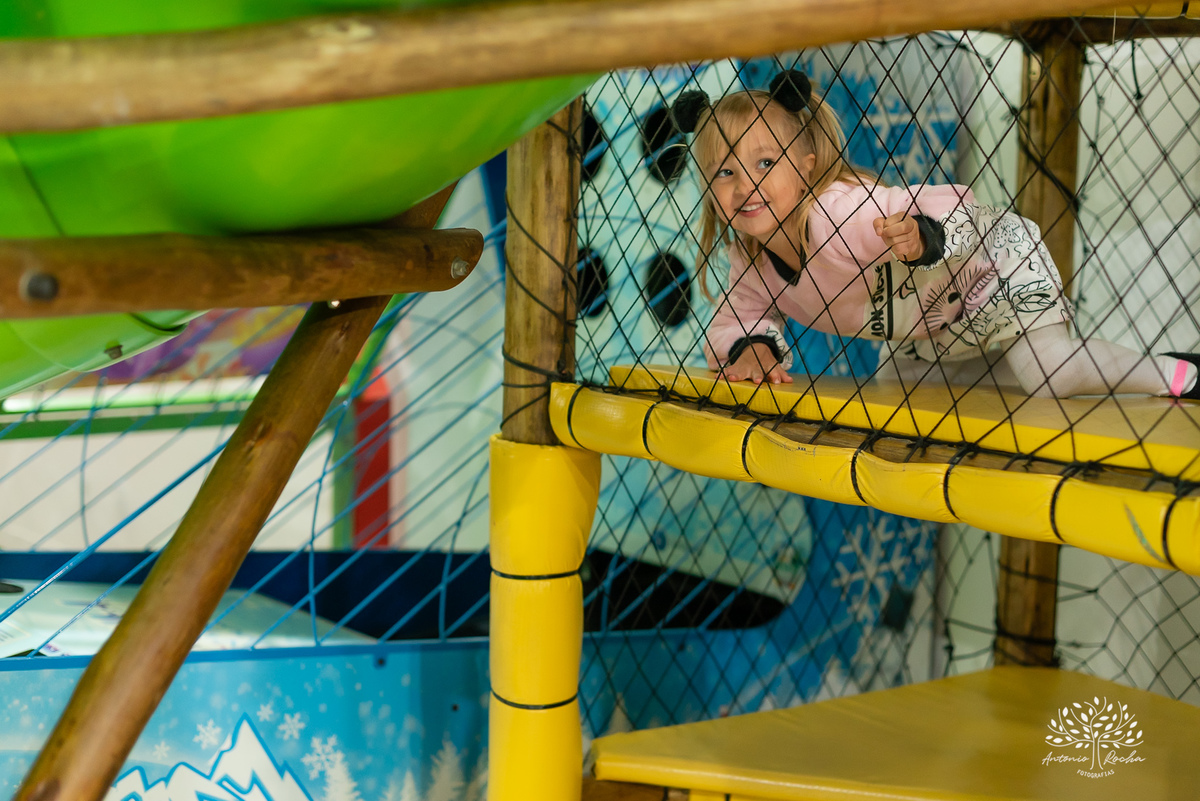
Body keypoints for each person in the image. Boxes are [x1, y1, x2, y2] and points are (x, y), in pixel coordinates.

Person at [672, 70, 1199, 400]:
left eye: (766, 162)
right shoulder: (752, 258)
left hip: (990, 262)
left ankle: (1180, 375)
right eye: (725, 172)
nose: (746, 185)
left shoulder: (843, 212)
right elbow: (740, 313)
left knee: (1051, 374)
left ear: (807, 167)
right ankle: (1008, 359)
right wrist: (751, 348)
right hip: (932, 323)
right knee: (897, 386)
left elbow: (949, 201)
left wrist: (922, 235)